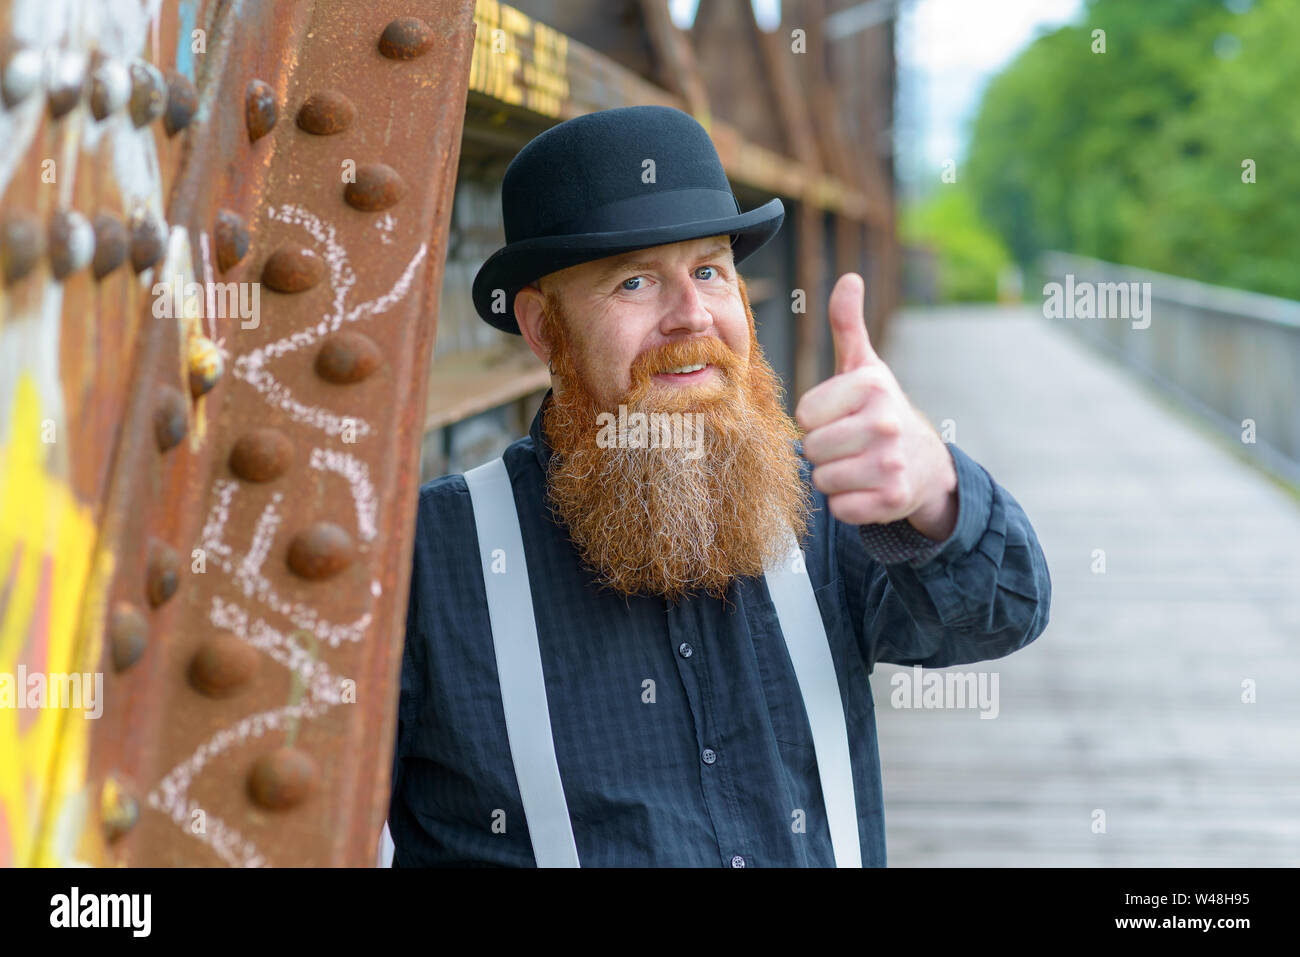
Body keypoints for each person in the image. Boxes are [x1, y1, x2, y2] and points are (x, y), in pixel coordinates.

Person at [386, 105, 1051, 867]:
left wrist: (935, 491)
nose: (691, 315)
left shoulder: (826, 498)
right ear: (543, 329)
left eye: (709, 270)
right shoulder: (430, 557)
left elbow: (1004, 614)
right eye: (634, 282)